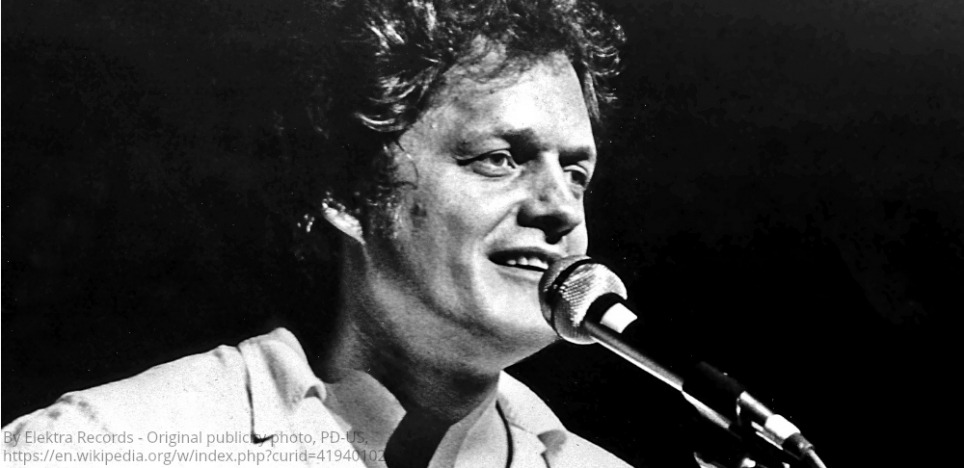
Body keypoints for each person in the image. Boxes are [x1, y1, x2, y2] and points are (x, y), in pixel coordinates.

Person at [2, 0, 628, 466]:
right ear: (348, 193)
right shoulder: (110, 445)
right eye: (499, 159)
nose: (560, 208)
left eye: (577, 174)